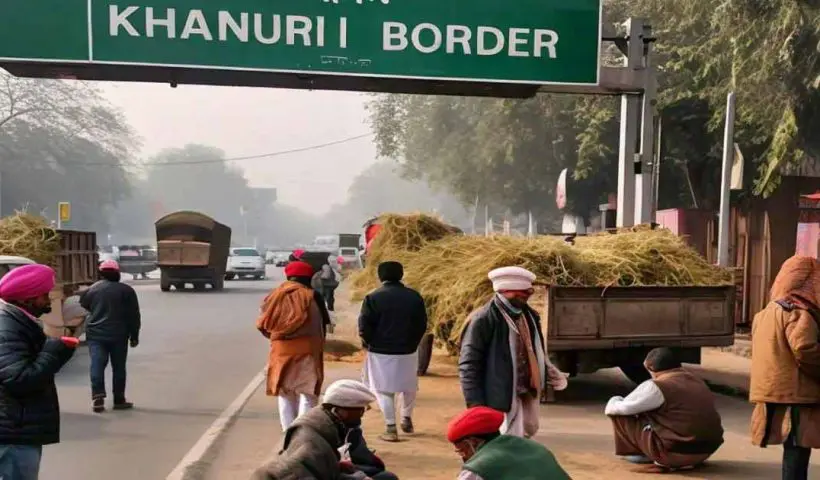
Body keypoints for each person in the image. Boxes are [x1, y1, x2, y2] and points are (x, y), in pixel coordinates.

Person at [459, 266, 567, 438]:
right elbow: (469, 364)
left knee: (527, 430)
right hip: (499, 395)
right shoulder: (483, 319)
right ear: (504, 291)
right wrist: (475, 404)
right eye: (521, 294)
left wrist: (547, 370)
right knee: (505, 440)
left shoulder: (529, 316)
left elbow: (535, 349)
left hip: (525, 391)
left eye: (528, 293)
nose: (527, 297)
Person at [0, 264, 79, 479]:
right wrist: (54, 351)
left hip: (16, 430)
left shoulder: (18, 322)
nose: (48, 301)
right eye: (44, 295)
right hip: (13, 435)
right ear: (27, 298)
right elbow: (19, 379)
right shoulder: (7, 326)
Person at [750, 255, 820, 480]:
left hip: (775, 390)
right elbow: (805, 349)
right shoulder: (799, 313)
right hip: (798, 393)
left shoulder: (764, 313)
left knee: (793, 447)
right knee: (798, 448)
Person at [251, 379, 399, 480]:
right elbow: (304, 474)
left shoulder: (330, 425)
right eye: (360, 411)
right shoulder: (311, 440)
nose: (362, 415)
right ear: (339, 411)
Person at [605, 347, 724, 472]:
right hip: (705, 451)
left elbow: (619, 408)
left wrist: (615, 399)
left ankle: (645, 456)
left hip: (674, 454)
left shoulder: (657, 386)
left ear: (650, 368)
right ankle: (666, 455)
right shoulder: (698, 381)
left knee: (620, 413)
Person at [359, 261, 427, 442]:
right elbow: (422, 324)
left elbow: (364, 326)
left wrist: (368, 342)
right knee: (409, 386)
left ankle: (390, 427)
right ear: (401, 275)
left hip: (380, 351)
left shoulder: (373, 297)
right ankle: (406, 418)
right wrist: (413, 342)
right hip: (408, 349)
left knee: (383, 389)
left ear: (380, 276)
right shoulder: (414, 297)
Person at [257, 261, 326, 431]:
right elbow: (321, 324)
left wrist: (278, 337)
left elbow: (263, 324)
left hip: (280, 351)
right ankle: (302, 433)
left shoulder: (274, 296)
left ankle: (288, 433)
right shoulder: (311, 296)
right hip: (307, 351)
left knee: (286, 394)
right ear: (308, 277)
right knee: (307, 393)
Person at [80, 259, 141, 413]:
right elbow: (134, 316)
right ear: (117, 273)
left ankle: (97, 396)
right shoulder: (126, 291)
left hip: (95, 334)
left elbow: (85, 305)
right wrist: (134, 336)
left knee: (97, 364)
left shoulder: (91, 290)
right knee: (119, 367)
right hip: (119, 335)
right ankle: (119, 399)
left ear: (100, 274)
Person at [447, 406, 570, 480]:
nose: (463, 457)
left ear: (473, 442)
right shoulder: (532, 447)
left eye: (462, 450)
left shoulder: (481, 467)